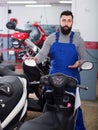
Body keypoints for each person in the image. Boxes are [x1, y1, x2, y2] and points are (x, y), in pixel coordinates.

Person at [24, 10, 87, 130]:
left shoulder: (78, 39)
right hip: (53, 79)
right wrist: (34, 59)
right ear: (60, 21)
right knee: (51, 105)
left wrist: (78, 63)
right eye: (64, 20)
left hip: (71, 80)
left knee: (73, 107)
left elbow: (84, 58)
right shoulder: (51, 38)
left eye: (69, 21)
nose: (66, 23)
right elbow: (42, 55)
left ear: (72, 22)